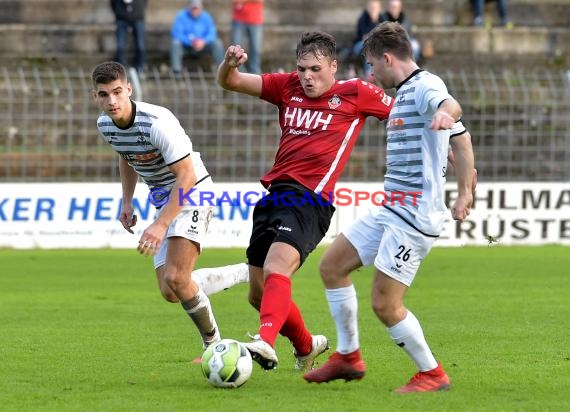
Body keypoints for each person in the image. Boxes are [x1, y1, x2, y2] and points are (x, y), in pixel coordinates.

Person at [304, 22, 475, 393]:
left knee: (384, 302)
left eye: (370, 64)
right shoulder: (402, 94)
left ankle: (432, 373)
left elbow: (452, 109)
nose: (370, 72)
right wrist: (464, 187)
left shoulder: (425, 86)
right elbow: (462, 142)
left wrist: (448, 115)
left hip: (413, 217)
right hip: (391, 208)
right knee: (332, 266)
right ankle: (348, 357)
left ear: (386, 58)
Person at [217, 31, 394, 372]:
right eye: (301, 69)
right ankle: (306, 345)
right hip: (274, 197)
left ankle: (265, 342)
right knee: (258, 294)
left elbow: (404, 115)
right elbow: (232, 82)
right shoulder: (286, 87)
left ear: (333, 66)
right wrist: (227, 66)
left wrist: (448, 140)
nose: (307, 77)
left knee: (276, 269)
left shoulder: (356, 93)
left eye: (315, 69)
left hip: (311, 200)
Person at [91, 61, 249, 358]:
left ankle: (213, 345)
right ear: (95, 97)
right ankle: (244, 272)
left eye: (116, 92)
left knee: (177, 278)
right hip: (164, 196)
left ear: (129, 89)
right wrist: (127, 200)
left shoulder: (157, 121)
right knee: (170, 290)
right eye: (103, 95)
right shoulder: (105, 124)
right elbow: (127, 156)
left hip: (194, 190)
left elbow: (186, 176)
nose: (111, 101)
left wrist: (160, 224)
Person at [170, 0, 225, 73]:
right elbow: (176, 33)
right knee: (175, 43)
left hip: (203, 46)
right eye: (193, 8)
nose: (195, 11)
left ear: (201, 8)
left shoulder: (206, 17)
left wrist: (203, 41)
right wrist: (190, 42)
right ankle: (176, 72)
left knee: (217, 43)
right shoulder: (181, 16)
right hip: (187, 47)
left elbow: (212, 33)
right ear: (188, 7)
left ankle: (222, 71)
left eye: (197, 8)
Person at [344, 0, 383, 79]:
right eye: (371, 8)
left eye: (375, 8)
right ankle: (369, 76)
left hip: (375, 45)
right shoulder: (363, 19)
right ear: (367, 8)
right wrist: (373, 21)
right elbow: (365, 36)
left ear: (379, 9)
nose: (373, 10)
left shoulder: (382, 18)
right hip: (360, 45)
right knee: (369, 47)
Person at [110, 0, 147, 73]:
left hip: (137, 16)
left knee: (140, 44)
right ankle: (120, 69)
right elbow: (113, 3)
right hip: (121, 17)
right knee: (120, 45)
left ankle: (140, 67)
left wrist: (139, 10)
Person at [231, 0, 264, 74]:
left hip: (255, 19)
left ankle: (255, 74)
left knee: (255, 49)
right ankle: (239, 73)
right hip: (239, 19)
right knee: (236, 49)